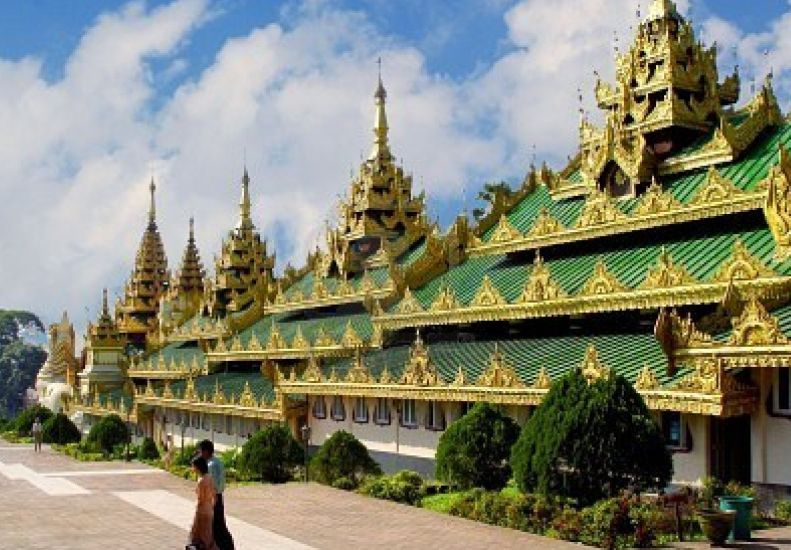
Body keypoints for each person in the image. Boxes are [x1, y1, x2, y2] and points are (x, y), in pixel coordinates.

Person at [198, 440, 235, 550]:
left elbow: (211, 485)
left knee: (216, 527)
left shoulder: (211, 465)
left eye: (200, 451)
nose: (199, 454)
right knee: (218, 526)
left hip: (213, 498)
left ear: (206, 451)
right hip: (218, 497)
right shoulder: (217, 461)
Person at [188, 455, 219, 550]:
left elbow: (200, 498)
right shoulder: (209, 477)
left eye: (194, 467)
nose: (193, 469)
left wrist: (197, 510)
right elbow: (215, 493)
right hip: (209, 509)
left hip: (202, 510)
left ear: (198, 467)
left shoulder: (201, 481)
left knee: (198, 534)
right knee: (208, 533)